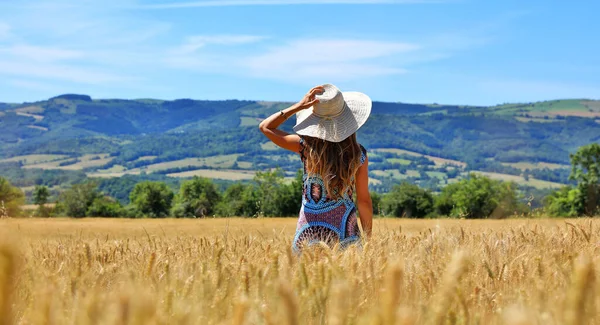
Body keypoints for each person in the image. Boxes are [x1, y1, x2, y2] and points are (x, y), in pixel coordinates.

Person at [259, 84, 373, 251]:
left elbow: (266, 127)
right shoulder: (358, 154)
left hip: (308, 234)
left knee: (305, 276)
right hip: (347, 234)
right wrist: (368, 239)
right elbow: (364, 201)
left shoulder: (305, 148)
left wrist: (298, 106)